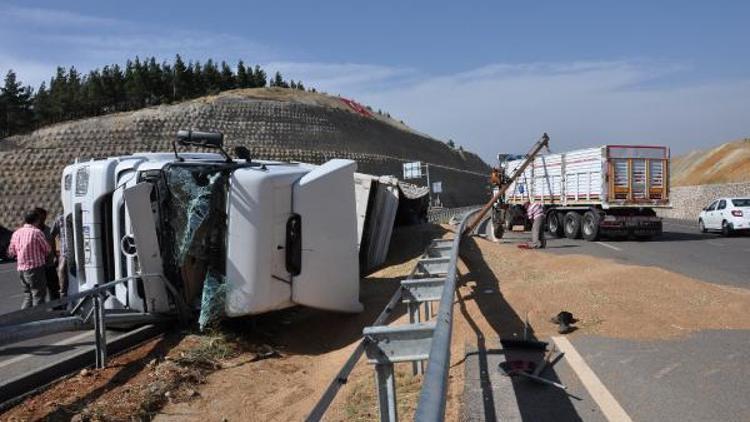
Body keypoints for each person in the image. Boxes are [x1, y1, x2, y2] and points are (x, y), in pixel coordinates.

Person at [7, 210, 51, 309]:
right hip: (35, 269)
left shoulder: (16, 233)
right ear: (37, 220)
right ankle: (38, 319)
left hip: (21, 269)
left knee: (28, 296)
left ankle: (25, 320)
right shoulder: (36, 232)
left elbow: (11, 252)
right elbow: (47, 250)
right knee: (38, 296)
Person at [34, 208, 60, 301]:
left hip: (49, 264)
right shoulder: (32, 232)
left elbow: (52, 243)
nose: (43, 220)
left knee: (54, 288)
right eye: (41, 217)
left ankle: (57, 309)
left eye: (44, 217)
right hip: (38, 266)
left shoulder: (48, 230)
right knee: (40, 292)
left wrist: (55, 256)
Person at [51, 213, 69, 298]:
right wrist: (54, 253)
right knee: (62, 270)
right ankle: (63, 294)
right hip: (65, 252)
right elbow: (52, 234)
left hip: (77, 251)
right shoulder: (60, 218)